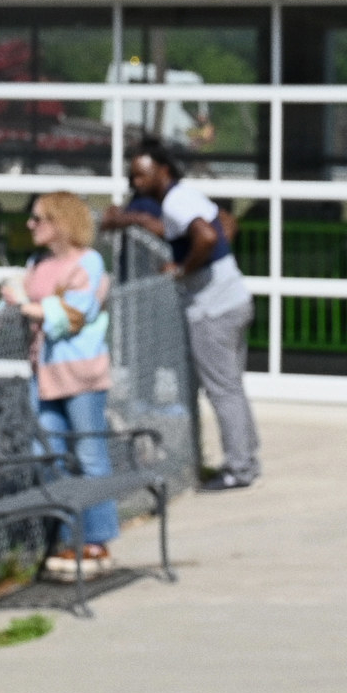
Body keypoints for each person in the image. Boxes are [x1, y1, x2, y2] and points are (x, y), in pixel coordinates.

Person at [118, 136, 260, 490]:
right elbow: (224, 223)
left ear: (163, 170)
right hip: (234, 298)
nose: (136, 182)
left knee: (223, 391)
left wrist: (184, 269)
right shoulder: (186, 196)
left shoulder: (176, 202)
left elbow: (208, 237)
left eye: (141, 175)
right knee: (232, 387)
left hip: (213, 310)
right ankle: (247, 457)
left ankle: (238, 469)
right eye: (133, 176)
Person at [12, 191, 117, 579]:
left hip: (81, 374)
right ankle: (64, 533)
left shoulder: (88, 262)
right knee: (47, 453)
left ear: (60, 221)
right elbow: (29, 301)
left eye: (38, 218)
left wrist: (26, 306)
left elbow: (73, 314)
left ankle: (97, 539)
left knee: (90, 456)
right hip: (43, 372)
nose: (31, 225)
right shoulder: (37, 263)